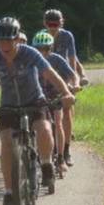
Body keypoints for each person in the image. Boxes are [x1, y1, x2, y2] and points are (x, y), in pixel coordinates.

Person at [0, 17, 75, 205]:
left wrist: (66, 92)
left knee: (45, 128)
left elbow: (50, 74)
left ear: (17, 39)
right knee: (7, 144)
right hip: (9, 105)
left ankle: (46, 165)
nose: (4, 45)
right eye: (0, 41)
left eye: (8, 40)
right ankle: (10, 192)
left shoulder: (30, 53)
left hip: (34, 100)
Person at [31, 31, 79, 176]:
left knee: (58, 123)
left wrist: (75, 84)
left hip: (54, 95)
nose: (42, 52)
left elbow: (72, 74)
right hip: (37, 96)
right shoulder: (30, 59)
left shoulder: (57, 59)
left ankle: (60, 158)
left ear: (50, 48)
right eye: (38, 49)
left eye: (45, 48)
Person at [44, 9, 85, 167]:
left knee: (66, 111)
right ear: (45, 23)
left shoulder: (67, 36)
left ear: (62, 22)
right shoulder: (42, 36)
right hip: (47, 76)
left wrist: (74, 82)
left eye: (56, 24)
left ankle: (66, 151)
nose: (53, 27)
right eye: (50, 24)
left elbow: (72, 58)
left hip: (64, 73)